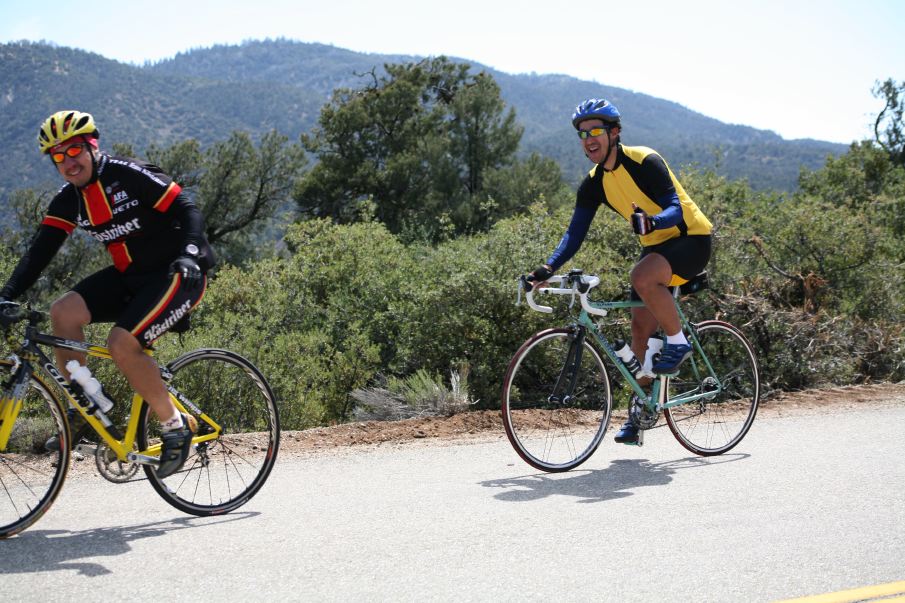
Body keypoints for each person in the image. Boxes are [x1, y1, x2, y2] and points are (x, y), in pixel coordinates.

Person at [0, 110, 216, 476]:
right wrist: (6, 293)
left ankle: (174, 428)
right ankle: (86, 402)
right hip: (131, 277)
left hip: (178, 273)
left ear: (91, 145)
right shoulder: (69, 199)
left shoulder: (127, 174)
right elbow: (41, 251)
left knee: (121, 345)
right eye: (57, 156)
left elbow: (186, 207)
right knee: (63, 312)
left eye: (73, 151)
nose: (68, 162)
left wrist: (191, 254)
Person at [526, 98, 713, 445]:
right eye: (582, 134)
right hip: (656, 249)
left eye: (596, 130)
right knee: (639, 335)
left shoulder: (644, 160)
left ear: (615, 133)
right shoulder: (594, 182)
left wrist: (653, 221)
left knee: (641, 276)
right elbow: (574, 233)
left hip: (692, 238)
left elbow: (674, 206)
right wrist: (548, 267)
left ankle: (678, 341)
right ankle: (642, 413)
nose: (588, 138)